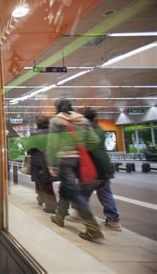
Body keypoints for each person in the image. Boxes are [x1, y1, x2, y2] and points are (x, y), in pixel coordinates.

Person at [47, 99, 104, 242]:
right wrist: (82, 147)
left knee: (73, 191)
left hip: (65, 160)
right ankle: (60, 216)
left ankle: (92, 227)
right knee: (67, 188)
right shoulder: (82, 120)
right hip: (80, 160)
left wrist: (52, 164)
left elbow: (52, 144)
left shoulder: (56, 121)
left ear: (57, 108)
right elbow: (95, 140)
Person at [80, 107, 122, 231]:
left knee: (81, 194)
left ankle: (82, 218)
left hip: (92, 168)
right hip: (105, 167)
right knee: (105, 194)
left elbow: (83, 149)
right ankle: (114, 221)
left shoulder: (86, 130)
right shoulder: (99, 128)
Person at [27, 116, 57, 213]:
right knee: (47, 182)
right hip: (52, 160)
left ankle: (50, 205)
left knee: (43, 183)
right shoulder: (54, 134)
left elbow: (29, 150)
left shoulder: (35, 134)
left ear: (38, 124)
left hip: (39, 162)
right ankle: (42, 199)